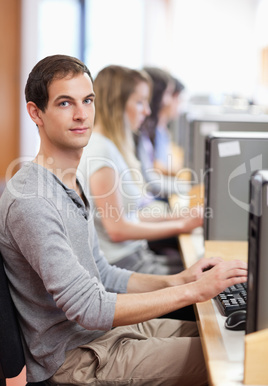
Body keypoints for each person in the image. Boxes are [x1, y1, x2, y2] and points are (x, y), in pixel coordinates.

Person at [0, 55, 247, 385]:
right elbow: (88, 307)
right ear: (36, 112)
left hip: (101, 334)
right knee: (232, 365)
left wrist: (181, 280)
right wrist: (195, 292)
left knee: (233, 340)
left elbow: (101, 272)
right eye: (64, 103)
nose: (81, 114)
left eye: (87, 100)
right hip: (75, 356)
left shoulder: (69, 181)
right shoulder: (32, 200)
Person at [78, 64, 201, 274]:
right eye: (140, 102)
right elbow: (117, 229)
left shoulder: (112, 145)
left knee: (209, 269)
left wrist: (180, 216)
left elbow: (131, 215)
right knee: (206, 279)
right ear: (117, 104)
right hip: (123, 265)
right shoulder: (101, 151)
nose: (148, 110)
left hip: (135, 256)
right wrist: (182, 225)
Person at [136, 67, 186, 199]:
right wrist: (189, 187)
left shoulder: (153, 131)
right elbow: (151, 179)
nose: (169, 101)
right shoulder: (140, 134)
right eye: (168, 93)